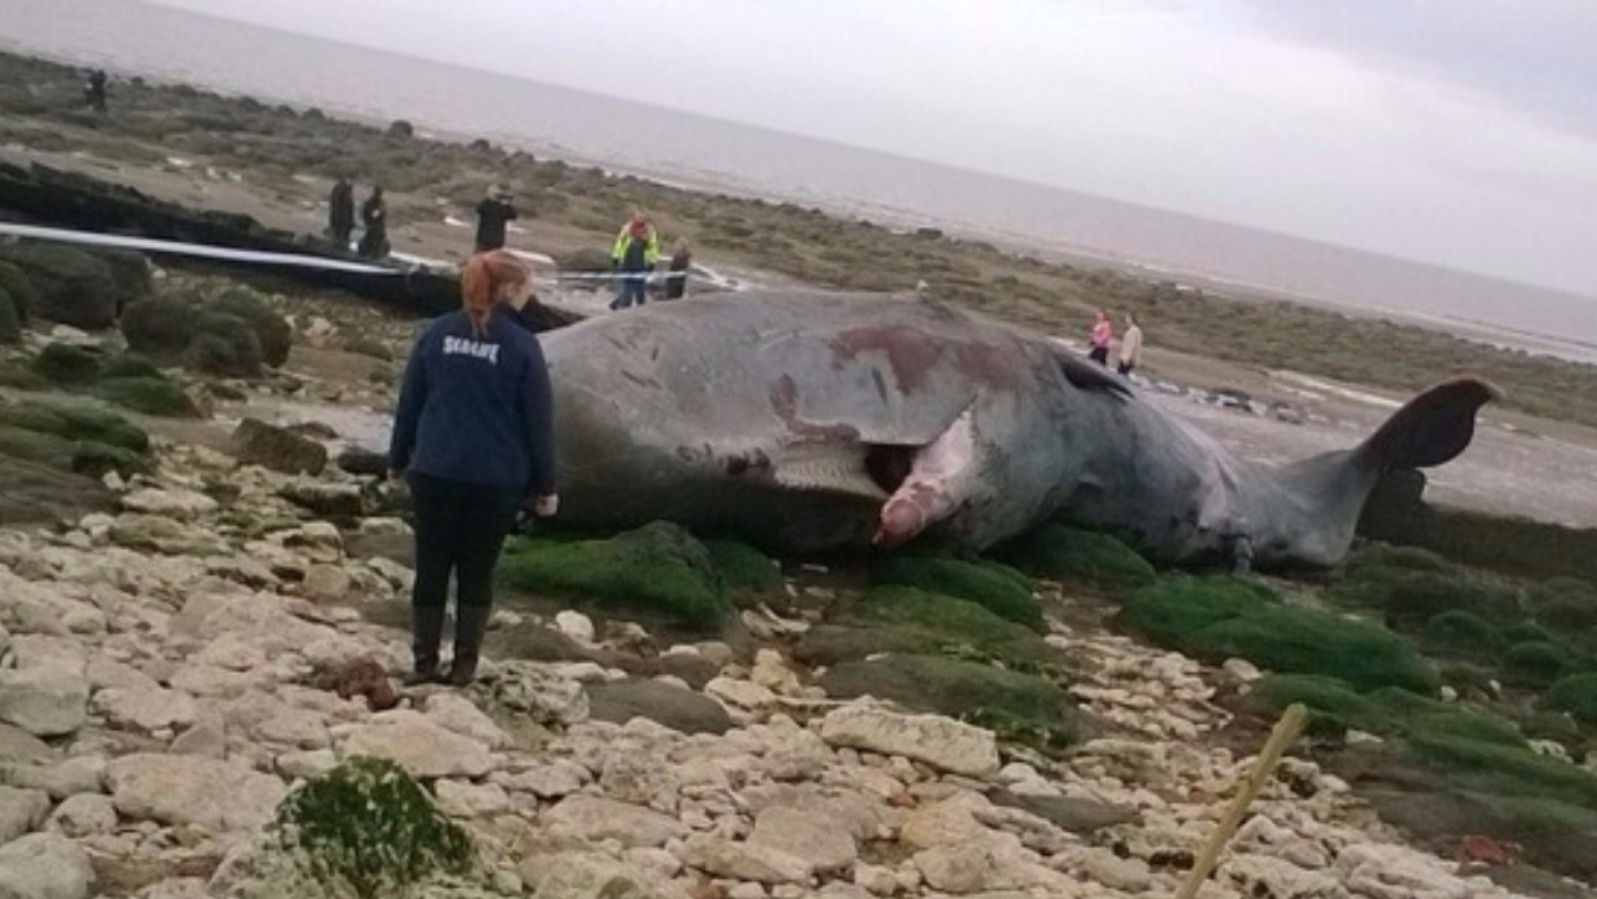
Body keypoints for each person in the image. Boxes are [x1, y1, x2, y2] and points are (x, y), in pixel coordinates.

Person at [388, 250, 558, 686]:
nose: (529, 298)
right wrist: (546, 486)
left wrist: (397, 459)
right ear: (510, 289)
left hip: (435, 469)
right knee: (477, 572)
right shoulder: (523, 345)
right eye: (527, 289)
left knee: (431, 566)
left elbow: (410, 404)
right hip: (495, 478)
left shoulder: (437, 333)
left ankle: (424, 663)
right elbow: (538, 422)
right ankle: (464, 666)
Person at [609, 211, 659, 310]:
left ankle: (640, 308)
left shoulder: (650, 231)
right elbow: (620, 243)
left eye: (642, 217)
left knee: (640, 290)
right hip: (626, 261)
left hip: (642, 263)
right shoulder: (627, 228)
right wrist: (616, 256)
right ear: (634, 217)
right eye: (638, 216)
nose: (640, 219)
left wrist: (652, 262)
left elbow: (653, 248)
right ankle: (624, 306)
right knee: (626, 287)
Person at [474, 186, 518, 252]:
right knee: (479, 255)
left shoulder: (503, 207)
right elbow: (479, 209)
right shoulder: (487, 205)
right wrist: (489, 199)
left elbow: (513, 216)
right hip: (484, 238)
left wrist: (507, 204)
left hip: (496, 240)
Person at [357, 186, 388, 259]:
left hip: (377, 228)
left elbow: (382, 215)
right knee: (372, 243)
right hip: (374, 228)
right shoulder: (373, 203)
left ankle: (375, 255)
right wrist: (368, 222)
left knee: (376, 243)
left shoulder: (380, 203)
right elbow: (367, 214)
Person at [327, 176, 355, 250]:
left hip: (341, 219)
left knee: (339, 238)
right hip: (341, 220)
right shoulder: (342, 190)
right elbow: (338, 205)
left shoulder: (342, 189)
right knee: (339, 239)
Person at [1117, 313, 1144, 377]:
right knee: (1123, 373)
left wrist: (1127, 358)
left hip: (1128, 358)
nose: (1126, 320)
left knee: (1121, 374)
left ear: (1131, 320)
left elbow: (1132, 345)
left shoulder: (1134, 330)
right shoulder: (1134, 330)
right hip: (1128, 357)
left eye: (1128, 318)